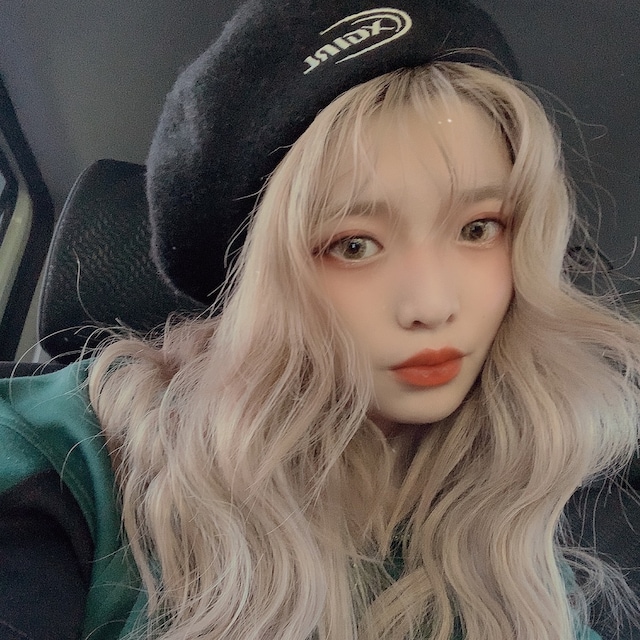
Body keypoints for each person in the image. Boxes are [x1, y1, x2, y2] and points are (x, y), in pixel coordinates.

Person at [1, 1, 639, 639]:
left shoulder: (533, 532)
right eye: (353, 245)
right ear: (260, 280)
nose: (431, 306)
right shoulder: (74, 456)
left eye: (478, 229)